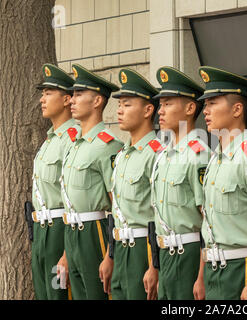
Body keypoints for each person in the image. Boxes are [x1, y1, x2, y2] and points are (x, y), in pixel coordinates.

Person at [198, 66, 247, 300]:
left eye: (213, 103)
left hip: (242, 267)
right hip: (214, 268)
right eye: (206, 104)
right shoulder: (215, 158)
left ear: (237, 109)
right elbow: (208, 222)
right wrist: (201, 276)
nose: (206, 110)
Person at [58, 64, 123, 300]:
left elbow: (117, 204)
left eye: (78, 95)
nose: (72, 100)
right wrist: (66, 252)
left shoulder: (108, 146)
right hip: (72, 233)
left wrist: (110, 253)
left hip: (94, 232)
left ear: (97, 102)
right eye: (72, 94)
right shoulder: (74, 145)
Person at [145, 66, 210, 300]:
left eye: (168, 104)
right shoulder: (164, 155)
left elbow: (208, 220)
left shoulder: (199, 155)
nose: (160, 111)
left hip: (189, 254)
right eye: (160, 105)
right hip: (166, 253)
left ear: (191, 108)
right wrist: (155, 265)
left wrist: (202, 276)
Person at [109, 68, 161, 300]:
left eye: (127, 104)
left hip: (144, 247)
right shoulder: (122, 154)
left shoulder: (157, 154)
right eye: (119, 105)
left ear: (148, 110)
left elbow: (162, 214)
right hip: (120, 246)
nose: (119, 110)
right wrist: (110, 254)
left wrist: (155, 265)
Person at [32, 63, 78, 299]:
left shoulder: (72, 139)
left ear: (67, 99)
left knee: (59, 295)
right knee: (44, 294)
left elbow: (75, 199)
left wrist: (67, 253)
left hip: (61, 231)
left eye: (48, 93)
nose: (42, 99)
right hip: (41, 232)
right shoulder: (49, 140)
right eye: (42, 93)